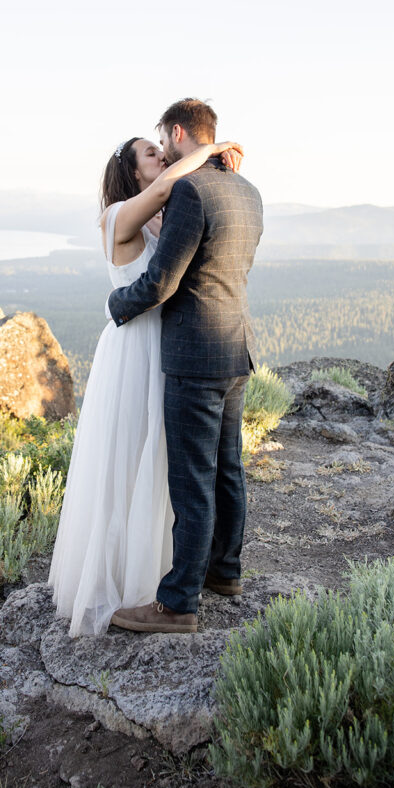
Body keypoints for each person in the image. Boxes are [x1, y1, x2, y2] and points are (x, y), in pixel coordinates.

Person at [48, 128, 244, 637]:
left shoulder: (157, 215)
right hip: (133, 349)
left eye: (162, 150)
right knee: (130, 458)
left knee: (165, 462)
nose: (161, 158)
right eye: (151, 154)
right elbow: (161, 195)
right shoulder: (119, 214)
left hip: (168, 347)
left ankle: (167, 569)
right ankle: (122, 576)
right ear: (134, 173)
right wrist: (203, 152)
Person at [109, 98, 263, 635]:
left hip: (194, 357)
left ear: (177, 134)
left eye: (162, 140)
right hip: (235, 350)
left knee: (192, 479)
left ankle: (177, 604)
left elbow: (163, 281)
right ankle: (226, 572)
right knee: (228, 469)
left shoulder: (190, 191)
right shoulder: (249, 191)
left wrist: (117, 307)